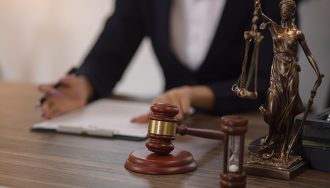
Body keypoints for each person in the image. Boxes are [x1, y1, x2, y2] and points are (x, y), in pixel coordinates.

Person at [38, 0, 282, 122]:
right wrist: (86, 84)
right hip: (170, 132)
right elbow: (112, 51)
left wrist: (194, 94)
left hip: (248, 130)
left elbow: (267, 82)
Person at [256, 0, 322, 162]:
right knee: (272, 110)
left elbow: (308, 54)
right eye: (282, 9)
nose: (284, 12)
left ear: (292, 12)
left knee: (287, 111)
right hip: (276, 71)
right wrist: (258, 7)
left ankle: (284, 148)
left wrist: (318, 73)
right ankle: (273, 140)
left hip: (291, 72)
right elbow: (261, 16)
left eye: (287, 9)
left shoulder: (297, 34)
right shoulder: (274, 28)